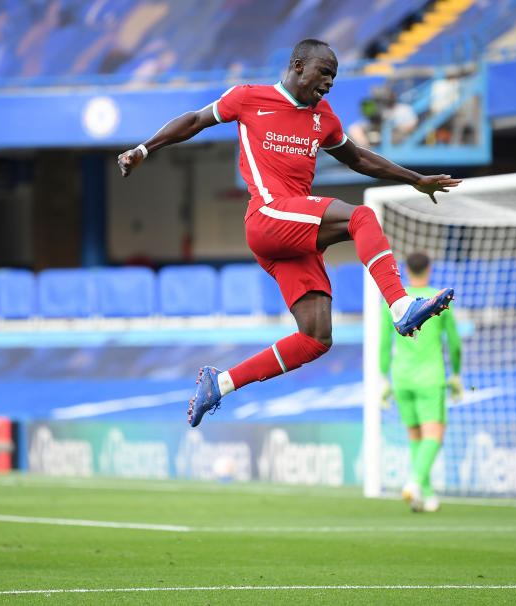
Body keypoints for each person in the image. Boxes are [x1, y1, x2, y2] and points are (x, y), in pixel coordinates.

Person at [118, 38, 461, 428]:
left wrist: (415, 179)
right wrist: (143, 150)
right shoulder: (248, 98)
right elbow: (196, 120)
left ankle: (221, 383)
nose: (329, 83)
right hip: (267, 215)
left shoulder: (324, 117)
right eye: (324, 73)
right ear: (298, 66)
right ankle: (401, 307)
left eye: (334, 76)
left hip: (290, 232)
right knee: (362, 218)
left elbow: (359, 158)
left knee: (316, 338)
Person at [379, 252, 461, 513]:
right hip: (430, 377)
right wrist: (456, 373)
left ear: (405, 269)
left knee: (415, 436)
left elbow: (384, 344)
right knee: (434, 435)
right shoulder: (439, 300)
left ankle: (426, 495)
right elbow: (454, 343)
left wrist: (384, 378)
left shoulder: (392, 303)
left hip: (401, 377)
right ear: (429, 269)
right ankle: (415, 483)